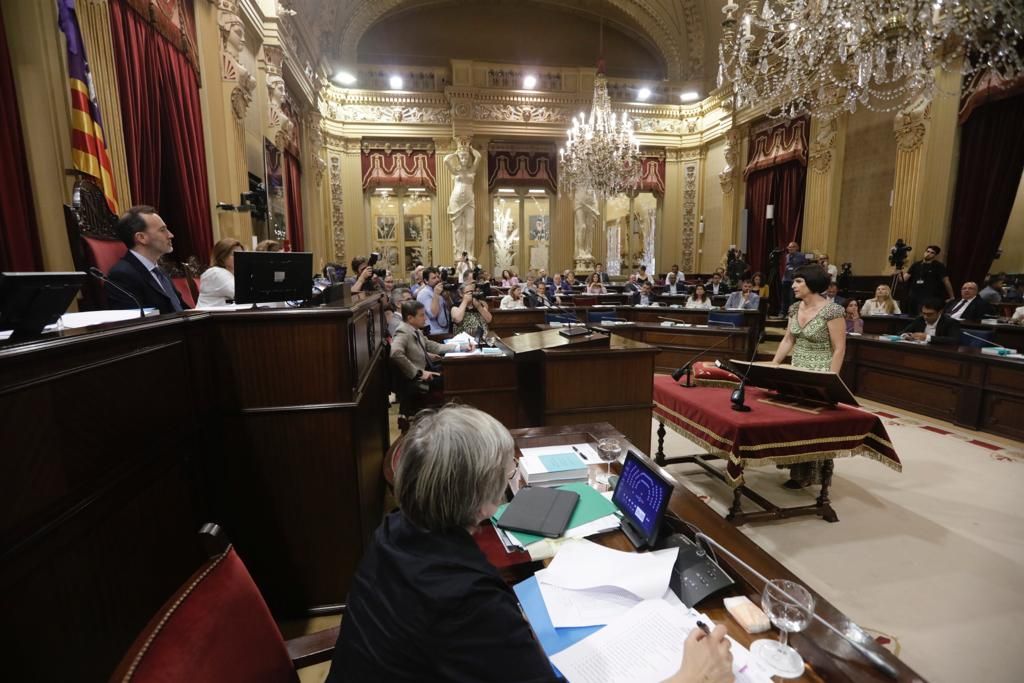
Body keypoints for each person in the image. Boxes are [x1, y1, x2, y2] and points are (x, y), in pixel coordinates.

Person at [325, 404, 734, 683]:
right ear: (485, 499)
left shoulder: (393, 531)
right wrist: (687, 677)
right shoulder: (465, 601)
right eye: (507, 471)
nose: (511, 476)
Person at [770, 265, 846, 488]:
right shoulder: (794, 308)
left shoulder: (833, 311)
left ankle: (813, 475)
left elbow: (839, 348)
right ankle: (795, 470)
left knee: (814, 426)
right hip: (796, 368)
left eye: (799, 281)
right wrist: (774, 364)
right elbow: (788, 340)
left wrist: (831, 380)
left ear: (812, 284)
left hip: (820, 371)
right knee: (794, 421)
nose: (793, 285)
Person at [106, 205, 188, 314]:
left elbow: (181, 309)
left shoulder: (160, 272)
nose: (170, 235)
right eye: (162, 230)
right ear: (141, 238)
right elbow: (136, 324)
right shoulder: (121, 275)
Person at [900, 245, 954, 315]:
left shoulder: (939, 266)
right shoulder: (916, 264)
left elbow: (946, 281)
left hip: (929, 298)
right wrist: (898, 271)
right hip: (914, 297)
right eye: (927, 251)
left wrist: (951, 296)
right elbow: (904, 279)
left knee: (923, 317)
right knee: (911, 317)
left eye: (932, 253)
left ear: (935, 255)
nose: (929, 253)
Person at [196, 238, 244, 307]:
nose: (240, 257)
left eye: (241, 254)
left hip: (222, 315)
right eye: (234, 254)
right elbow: (243, 294)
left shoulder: (232, 273)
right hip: (209, 316)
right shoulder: (216, 273)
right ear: (222, 256)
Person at [416, 267, 450, 334]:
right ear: (426, 281)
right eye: (434, 278)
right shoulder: (423, 293)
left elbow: (449, 309)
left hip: (445, 330)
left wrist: (447, 298)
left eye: (438, 277)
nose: (437, 280)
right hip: (434, 333)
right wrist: (436, 294)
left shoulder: (439, 290)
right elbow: (433, 314)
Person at [781, 241, 808, 313]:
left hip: (795, 280)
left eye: (793, 247)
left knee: (792, 297)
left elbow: (805, 267)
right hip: (786, 279)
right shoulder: (786, 256)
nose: (790, 248)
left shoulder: (801, 256)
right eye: (789, 247)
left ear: (797, 248)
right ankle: (783, 312)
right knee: (784, 297)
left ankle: (792, 313)